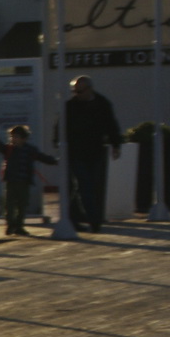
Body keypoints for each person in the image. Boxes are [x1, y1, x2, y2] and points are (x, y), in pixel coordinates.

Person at [63, 75, 123, 231]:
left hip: (95, 151)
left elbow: (111, 124)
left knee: (88, 186)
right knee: (84, 185)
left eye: (80, 91)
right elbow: (60, 126)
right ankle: (94, 220)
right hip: (76, 152)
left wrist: (116, 144)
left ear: (89, 89)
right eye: (74, 91)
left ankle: (74, 217)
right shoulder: (70, 106)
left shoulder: (102, 104)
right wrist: (59, 143)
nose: (76, 94)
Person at [0, 123, 57, 236]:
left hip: (24, 182)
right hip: (11, 181)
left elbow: (41, 157)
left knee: (22, 205)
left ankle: (19, 226)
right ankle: (11, 225)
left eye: (16, 137)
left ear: (24, 138)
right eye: (11, 137)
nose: (13, 139)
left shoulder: (30, 150)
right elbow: (1, 147)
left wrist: (53, 161)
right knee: (9, 205)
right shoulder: (9, 149)